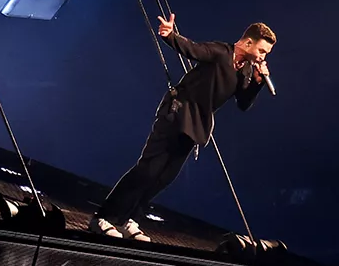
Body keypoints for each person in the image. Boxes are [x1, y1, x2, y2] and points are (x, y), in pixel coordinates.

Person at [91, 14, 275, 241]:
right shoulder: (221, 52)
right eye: (262, 51)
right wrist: (170, 35)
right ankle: (105, 216)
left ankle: (130, 218)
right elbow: (193, 49)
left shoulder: (245, 71)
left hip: (195, 125)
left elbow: (243, 104)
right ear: (248, 43)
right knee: (148, 169)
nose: (263, 56)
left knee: (163, 177)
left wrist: (257, 82)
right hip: (177, 112)